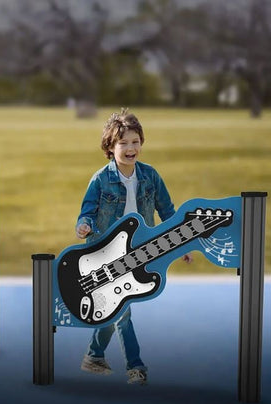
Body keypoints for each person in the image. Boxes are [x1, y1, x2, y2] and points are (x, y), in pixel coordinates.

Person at [75, 108, 193, 385]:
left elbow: (168, 212)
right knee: (122, 308)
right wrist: (83, 226)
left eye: (135, 142)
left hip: (138, 251)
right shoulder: (100, 179)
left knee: (116, 306)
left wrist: (182, 243)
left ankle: (94, 356)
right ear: (110, 147)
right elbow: (87, 213)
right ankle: (136, 367)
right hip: (104, 253)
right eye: (123, 143)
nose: (130, 148)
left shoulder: (150, 176)